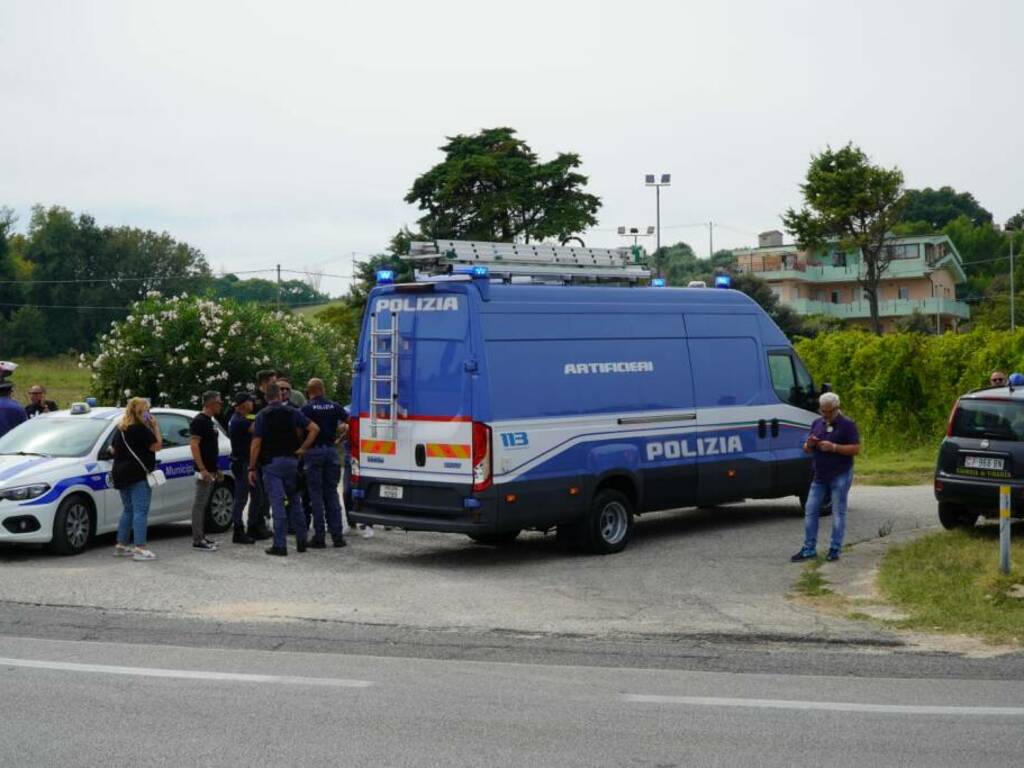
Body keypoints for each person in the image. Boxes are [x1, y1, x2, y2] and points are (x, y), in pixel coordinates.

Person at [249, 381, 319, 556]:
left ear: (266, 397)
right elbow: (314, 429)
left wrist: (251, 467)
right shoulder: (293, 412)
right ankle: (301, 541)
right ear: (280, 396)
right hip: (291, 462)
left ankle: (280, 545)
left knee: (277, 504)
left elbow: (256, 444)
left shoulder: (262, 415)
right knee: (295, 502)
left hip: (272, 464)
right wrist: (303, 448)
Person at [791, 392, 860, 563]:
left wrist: (834, 447)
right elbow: (806, 449)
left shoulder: (848, 425)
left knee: (838, 511)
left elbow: (856, 449)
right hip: (819, 475)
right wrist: (811, 444)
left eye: (828, 411)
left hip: (840, 474)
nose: (825, 415)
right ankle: (809, 548)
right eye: (823, 411)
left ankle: (835, 548)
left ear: (837, 408)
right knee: (811, 509)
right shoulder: (816, 423)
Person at [110, 397, 163, 561]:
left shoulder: (121, 428)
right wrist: (155, 426)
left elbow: (113, 449)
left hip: (120, 473)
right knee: (140, 511)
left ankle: (121, 545)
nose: (149, 413)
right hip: (138, 474)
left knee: (128, 509)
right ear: (142, 412)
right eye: (147, 410)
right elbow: (157, 446)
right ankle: (140, 548)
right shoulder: (141, 428)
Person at [301, 378, 348, 548]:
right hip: (331, 452)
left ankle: (319, 537)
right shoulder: (334, 406)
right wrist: (341, 438)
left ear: (309, 391)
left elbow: (300, 429)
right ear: (323, 389)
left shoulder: (306, 408)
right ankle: (338, 537)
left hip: (313, 452)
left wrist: (301, 448)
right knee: (331, 494)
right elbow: (349, 423)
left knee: (316, 495)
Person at [189, 391, 224, 552]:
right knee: (199, 504)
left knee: (204, 504)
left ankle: (201, 536)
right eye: (218, 402)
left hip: (210, 469)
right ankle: (197, 539)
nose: (221, 404)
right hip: (203, 471)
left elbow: (210, 448)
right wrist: (202, 469)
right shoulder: (199, 421)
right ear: (210, 403)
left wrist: (215, 468)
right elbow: (195, 445)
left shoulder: (210, 421)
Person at [227, 392, 262, 544]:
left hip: (246, 463)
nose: (253, 404)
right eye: (250, 401)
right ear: (244, 404)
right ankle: (238, 530)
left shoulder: (240, 418)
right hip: (243, 464)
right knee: (241, 498)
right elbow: (258, 430)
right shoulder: (239, 421)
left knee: (257, 496)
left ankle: (253, 527)